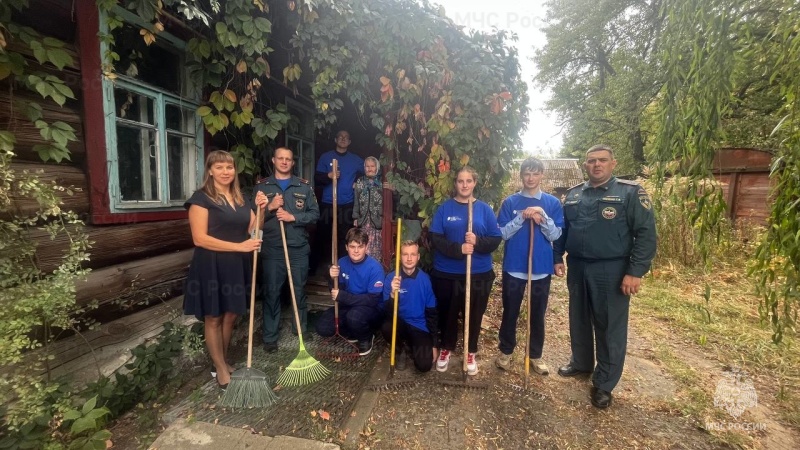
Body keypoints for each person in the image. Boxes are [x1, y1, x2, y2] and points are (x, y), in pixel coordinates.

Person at [554, 144, 657, 409]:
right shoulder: (575, 195)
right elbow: (564, 231)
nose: (596, 165)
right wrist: (556, 256)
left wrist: (635, 272)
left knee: (610, 326)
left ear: (613, 163)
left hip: (611, 269)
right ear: (585, 165)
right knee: (578, 317)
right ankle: (581, 363)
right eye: (591, 161)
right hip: (577, 266)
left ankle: (604, 383)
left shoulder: (630, 192)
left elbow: (646, 234)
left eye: (602, 160)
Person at [183, 150, 267, 389]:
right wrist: (239, 247)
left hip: (235, 264)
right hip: (211, 263)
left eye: (229, 167)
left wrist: (262, 210)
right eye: (219, 167)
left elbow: (254, 231)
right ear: (210, 171)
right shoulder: (201, 199)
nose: (225, 171)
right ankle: (220, 368)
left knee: (231, 314)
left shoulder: (240, 199)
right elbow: (199, 239)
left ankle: (221, 360)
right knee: (214, 316)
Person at [495, 157, 564, 375]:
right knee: (510, 311)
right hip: (515, 266)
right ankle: (505, 352)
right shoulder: (511, 203)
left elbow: (556, 234)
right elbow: (502, 233)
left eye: (535, 174)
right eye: (527, 173)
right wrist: (521, 219)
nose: (531, 178)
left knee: (537, 313)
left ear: (542, 175)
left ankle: (535, 355)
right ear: (521, 175)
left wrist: (542, 217)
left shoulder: (552, 203)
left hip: (541, 268)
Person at [429, 166, 502, 375]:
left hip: (478, 273)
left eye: (468, 181)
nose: (464, 185)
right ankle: (446, 348)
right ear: (456, 184)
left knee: (474, 314)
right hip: (447, 273)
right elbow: (436, 239)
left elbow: (495, 239)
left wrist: (477, 242)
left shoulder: (484, 209)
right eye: (461, 181)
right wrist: (458, 249)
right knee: (448, 314)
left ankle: (470, 351)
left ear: (474, 183)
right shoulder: (445, 209)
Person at [254, 147, 320, 353]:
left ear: (293, 163)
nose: (284, 162)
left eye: (288, 159)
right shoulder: (262, 188)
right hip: (273, 248)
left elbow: (315, 214)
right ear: (273, 160)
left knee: (299, 290)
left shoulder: (304, 187)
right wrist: (270, 207)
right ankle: (270, 336)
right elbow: (253, 221)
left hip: (298, 247)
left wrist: (294, 218)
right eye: (280, 158)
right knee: (272, 292)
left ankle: (300, 328)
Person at [316, 227, 385, 356]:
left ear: (366, 247)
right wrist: (331, 278)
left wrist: (343, 296)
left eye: (360, 246)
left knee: (354, 317)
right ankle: (351, 331)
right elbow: (336, 292)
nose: (356, 251)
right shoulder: (341, 263)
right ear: (346, 247)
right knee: (323, 326)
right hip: (348, 306)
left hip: (370, 308)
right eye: (352, 246)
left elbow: (372, 299)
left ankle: (366, 337)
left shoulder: (375, 268)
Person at [380, 240, 438, 372]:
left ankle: (411, 346)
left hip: (419, 326)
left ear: (418, 257)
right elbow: (386, 313)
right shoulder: (391, 278)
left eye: (413, 254)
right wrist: (392, 295)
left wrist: (434, 344)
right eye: (405, 254)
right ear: (400, 257)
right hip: (399, 324)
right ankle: (400, 349)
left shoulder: (425, 280)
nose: (409, 258)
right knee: (386, 326)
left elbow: (432, 313)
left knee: (424, 366)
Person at [313, 130, 364, 269]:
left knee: (344, 237)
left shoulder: (356, 160)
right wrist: (329, 175)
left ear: (349, 142)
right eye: (340, 136)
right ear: (335, 140)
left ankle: (342, 267)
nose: (343, 139)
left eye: (346, 137)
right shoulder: (326, 157)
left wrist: (358, 181)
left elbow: (370, 171)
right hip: (328, 203)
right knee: (323, 235)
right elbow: (317, 179)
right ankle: (317, 268)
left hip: (347, 204)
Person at [353, 156, 384, 263]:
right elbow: (356, 201)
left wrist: (392, 189)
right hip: (363, 221)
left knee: (376, 250)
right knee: (362, 245)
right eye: (367, 166)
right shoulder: (360, 182)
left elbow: (391, 199)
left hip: (377, 221)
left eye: (372, 166)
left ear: (377, 168)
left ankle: (374, 270)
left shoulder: (382, 183)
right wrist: (355, 217)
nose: (369, 169)